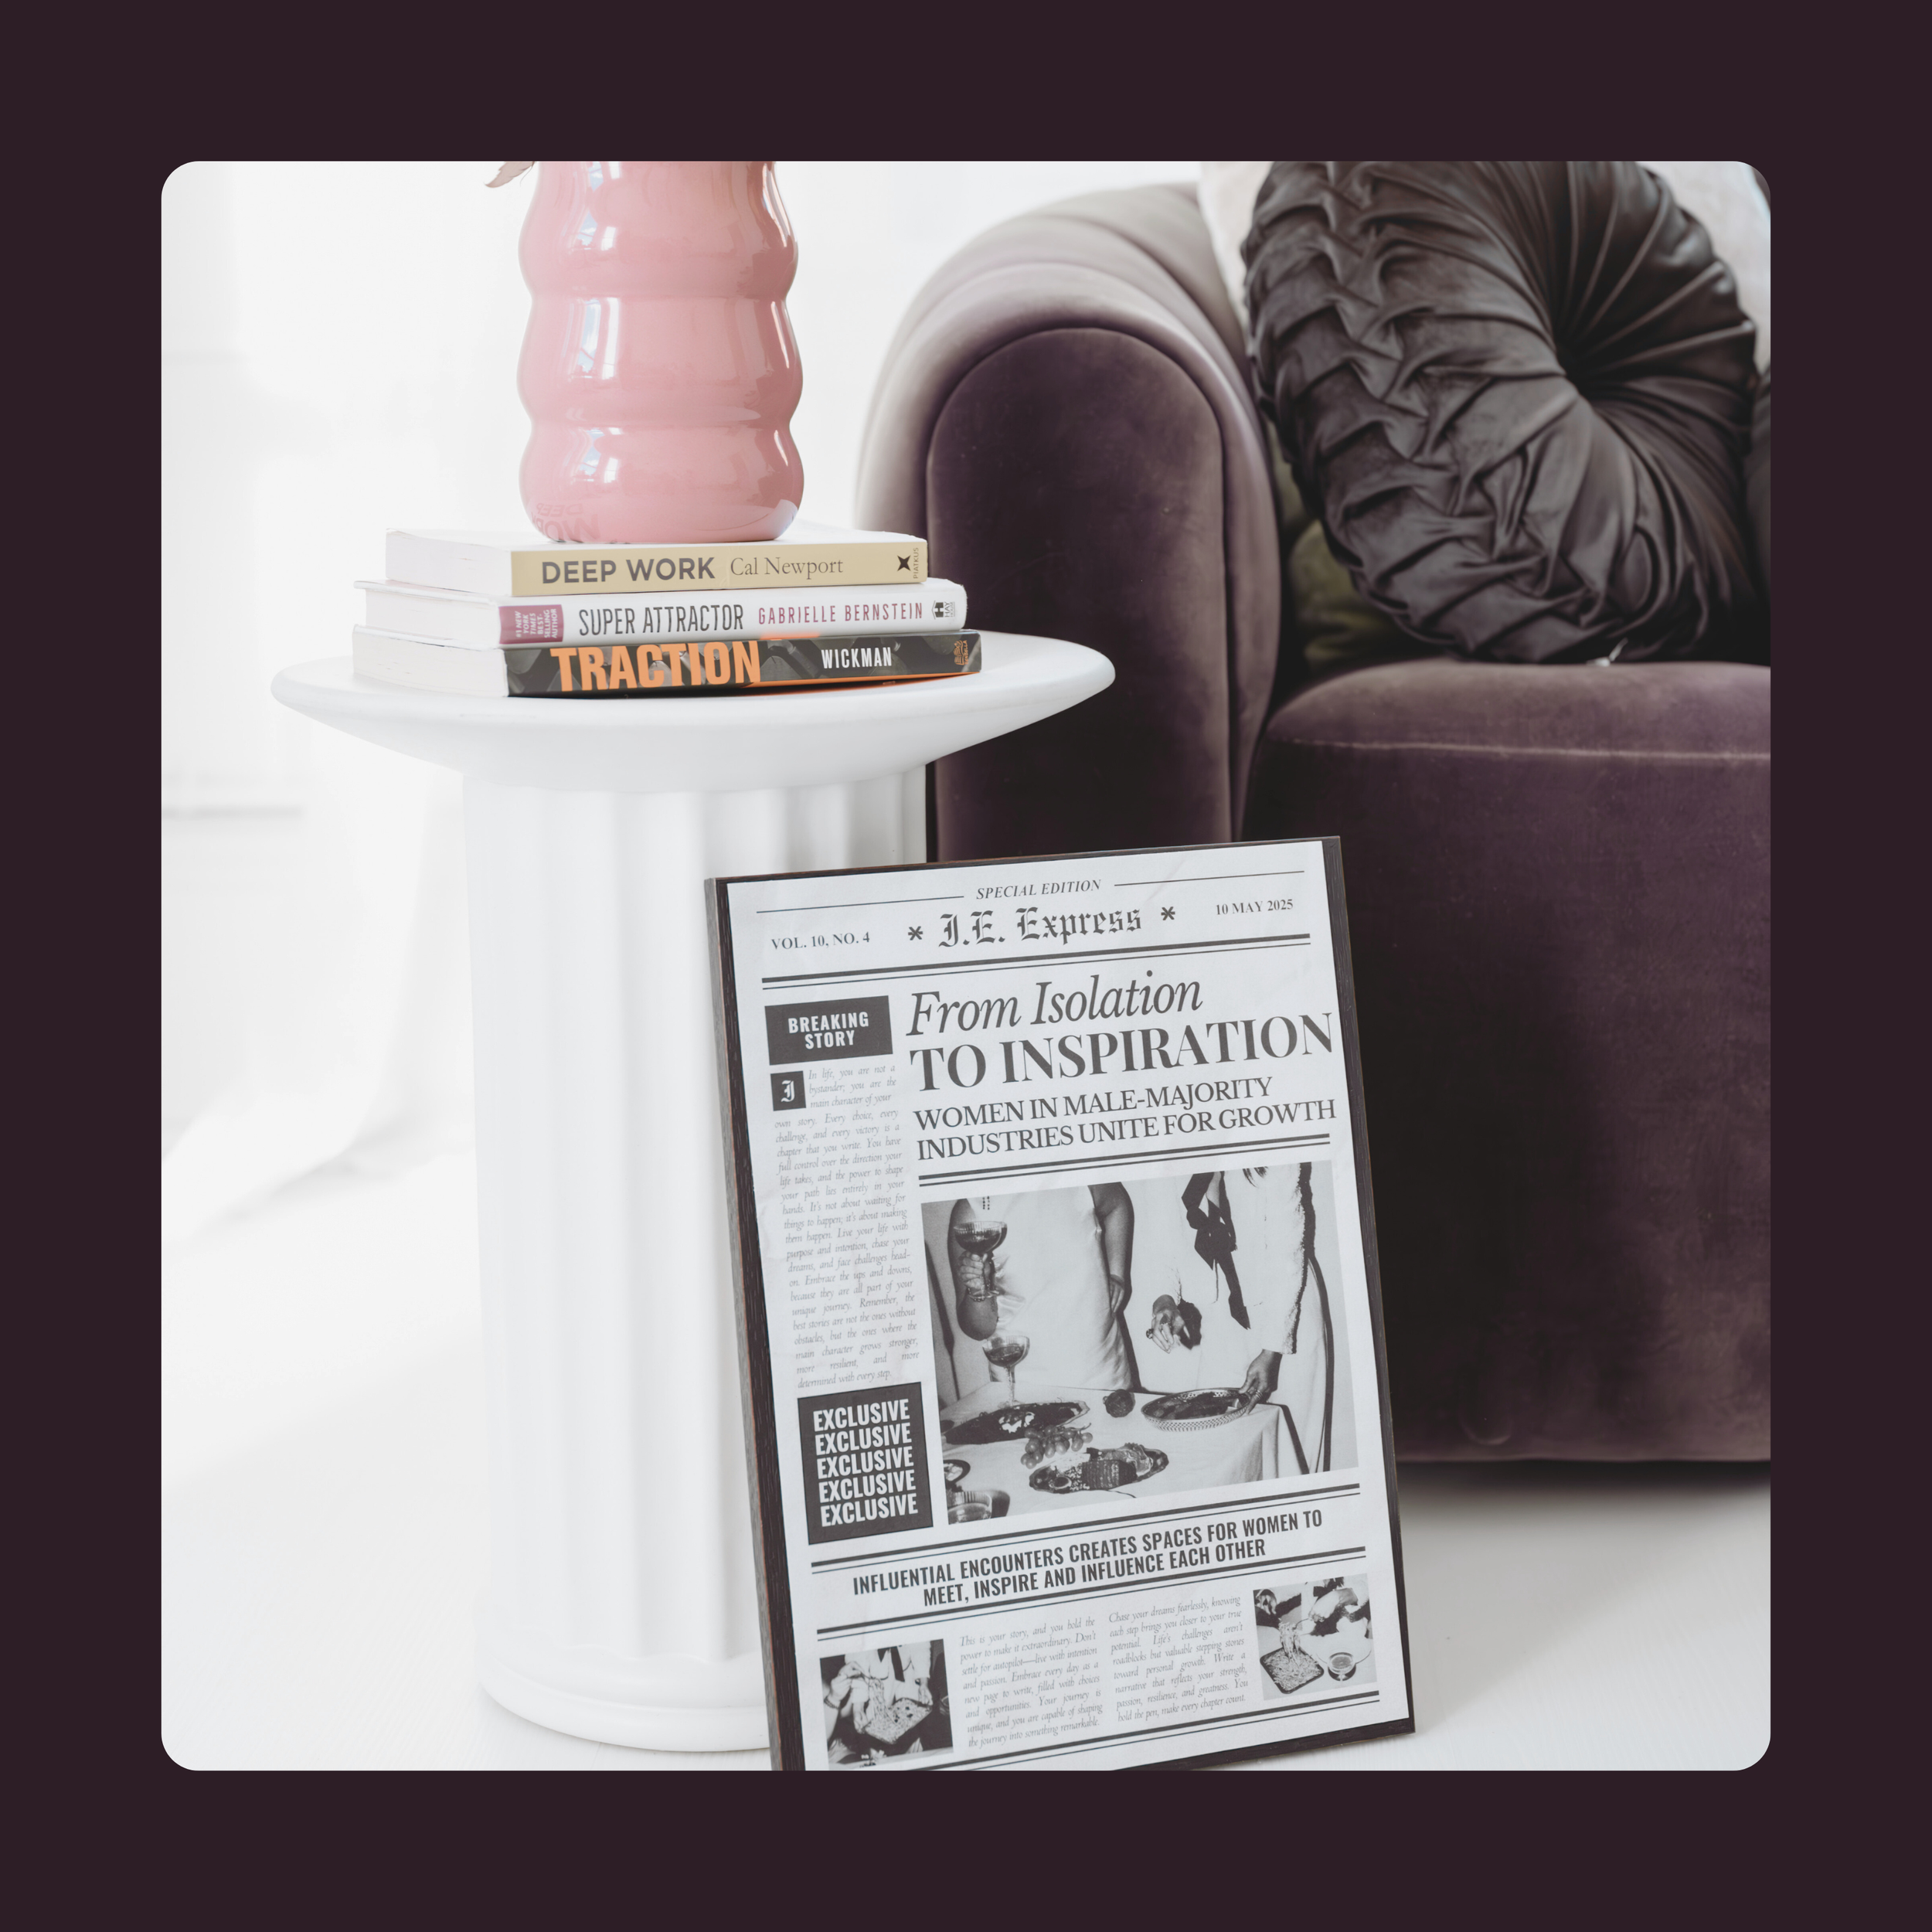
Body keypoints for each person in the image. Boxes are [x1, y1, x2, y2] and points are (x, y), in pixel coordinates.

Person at [942, 1185, 1135, 1391]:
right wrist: (978, 1286)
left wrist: (1117, 1275)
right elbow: (978, 1330)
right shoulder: (971, 1210)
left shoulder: (1077, 1180)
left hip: (1100, 1368)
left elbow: (1117, 1204)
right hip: (1023, 1379)